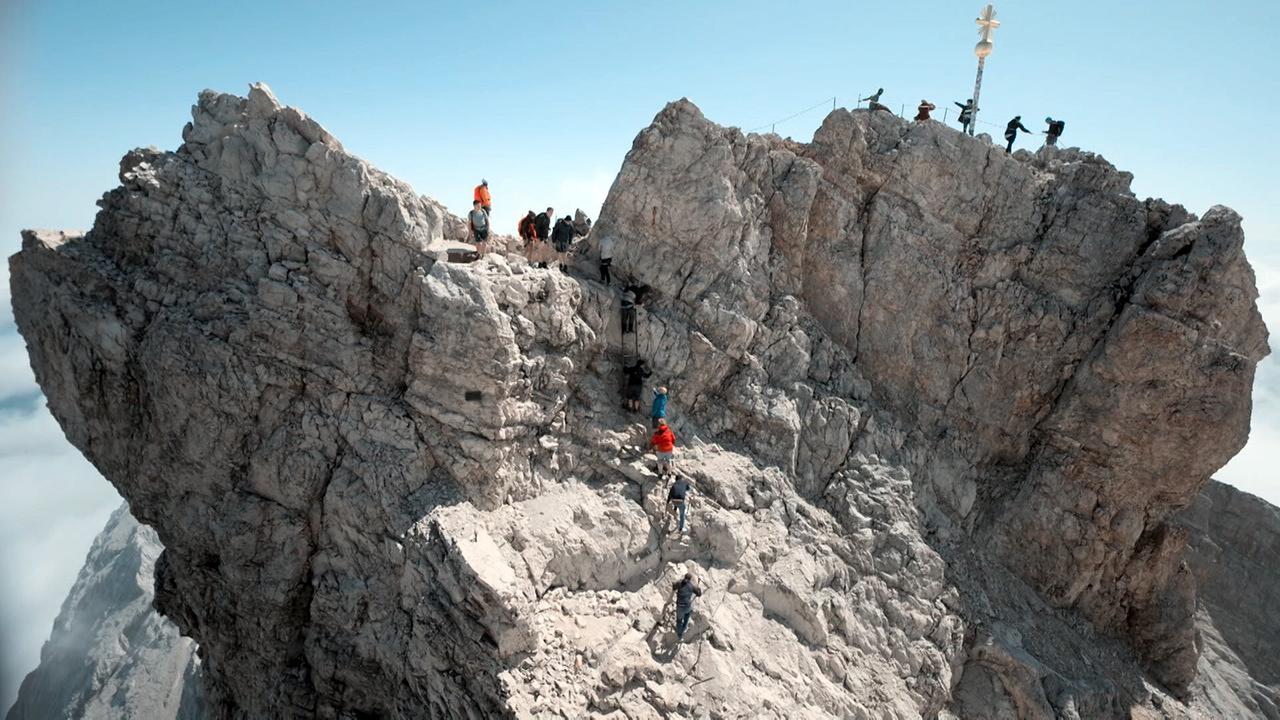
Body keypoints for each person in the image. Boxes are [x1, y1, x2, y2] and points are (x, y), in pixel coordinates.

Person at [672, 573, 702, 639]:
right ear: (690, 579)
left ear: (684, 577)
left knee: (679, 621)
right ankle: (684, 627)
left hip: (680, 606)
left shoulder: (680, 583)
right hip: (687, 607)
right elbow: (699, 594)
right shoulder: (691, 586)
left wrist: (676, 582)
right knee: (687, 614)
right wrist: (698, 588)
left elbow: (674, 586)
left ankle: (679, 634)